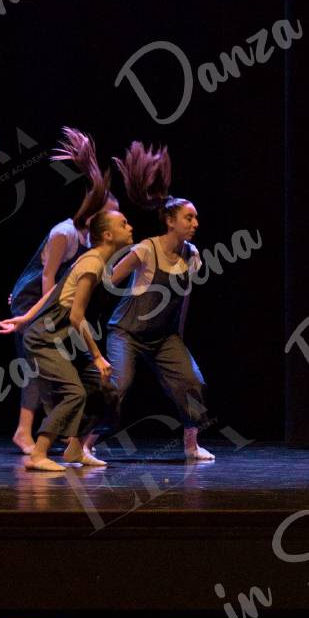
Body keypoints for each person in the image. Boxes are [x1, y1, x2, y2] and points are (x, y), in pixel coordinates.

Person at [7, 128, 115, 457]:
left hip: (55, 302)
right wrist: (42, 316)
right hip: (35, 298)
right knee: (37, 365)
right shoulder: (65, 233)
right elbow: (49, 276)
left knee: (59, 368)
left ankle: (62, 433)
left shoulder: (90, 241)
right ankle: (24, 432)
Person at [105, 142, 216, 462]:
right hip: (127, 332)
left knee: (192, 382)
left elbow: (184, 300)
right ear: (170, 221)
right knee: (119, 385)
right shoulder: (145, 249)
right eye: (189, 218)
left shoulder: (192, 255)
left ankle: (191, 443)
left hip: (164, 336)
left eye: (196, 218)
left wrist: (177, 338)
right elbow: (110, 279)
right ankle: (84, 441)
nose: (195, 223)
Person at [0, 209, 134, 471]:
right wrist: (97, 356)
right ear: (108, 235)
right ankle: (39, 454)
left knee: (103, 388)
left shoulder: (96, 261)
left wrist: (26, 317)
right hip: (45, 338)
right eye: (124, 223)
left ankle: (76, 448)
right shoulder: (92, 263)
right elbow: (75, 316)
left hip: (62, 339)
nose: (130, 227)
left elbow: (55, 291)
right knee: (74, 393)